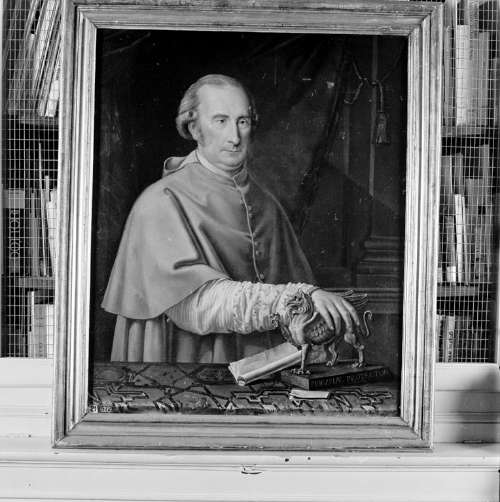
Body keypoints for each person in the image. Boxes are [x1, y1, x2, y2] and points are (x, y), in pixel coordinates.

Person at [102, 74, 360, 363]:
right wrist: (297, 298)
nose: (235, 138)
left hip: (262, 366)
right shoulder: (160, 202)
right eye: (221, 121)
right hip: (191, 361)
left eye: (243, 122)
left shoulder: (267, 205)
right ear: (194, 128)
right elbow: (193, 307)